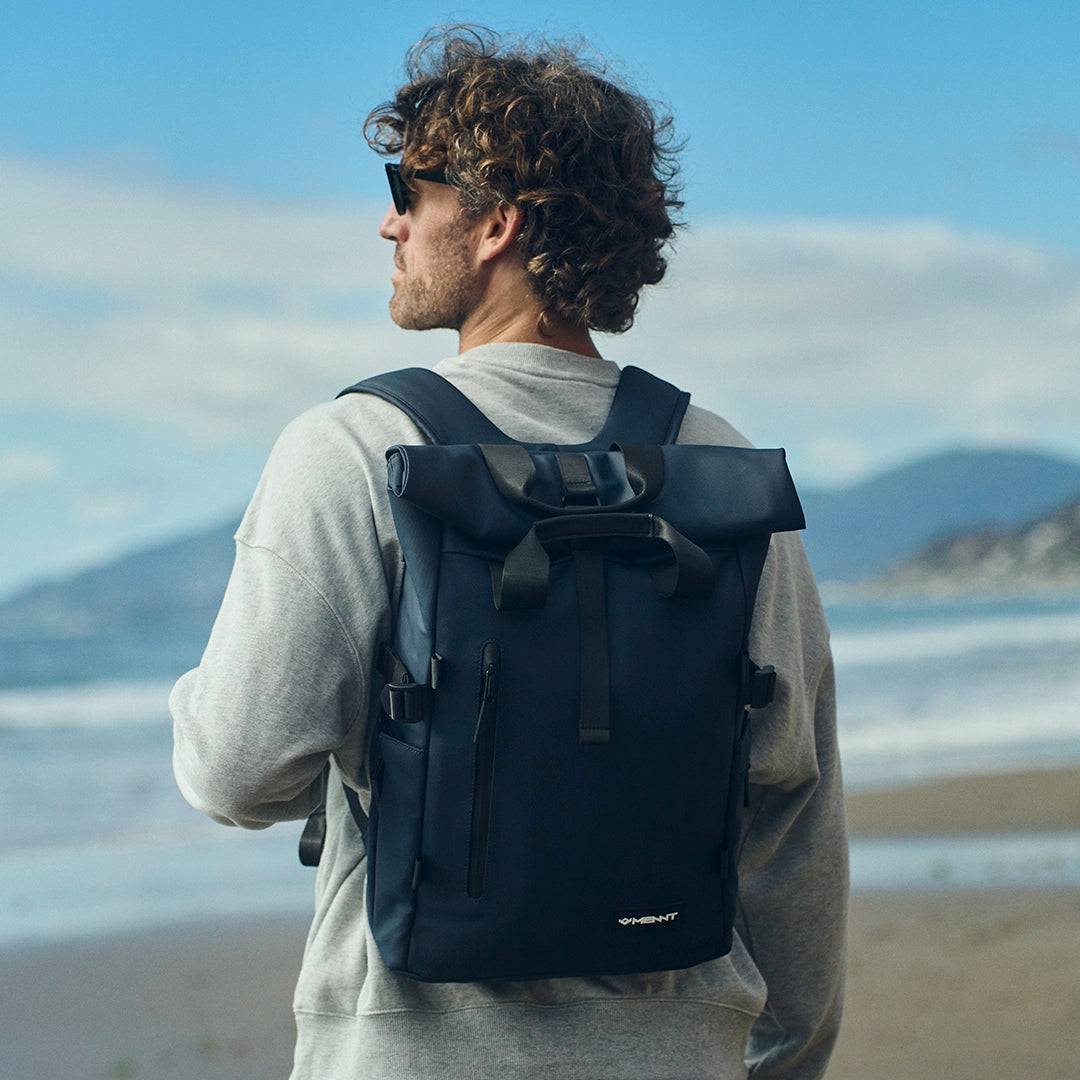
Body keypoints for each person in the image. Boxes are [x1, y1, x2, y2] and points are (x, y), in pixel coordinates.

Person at [170, 26, 847, 1080]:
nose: (389, 223)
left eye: (409, 190)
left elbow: (240, 771)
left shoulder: (350, 449)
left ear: (496, 223)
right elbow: (790, 800)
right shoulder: (719, 465)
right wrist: (788, 1053)